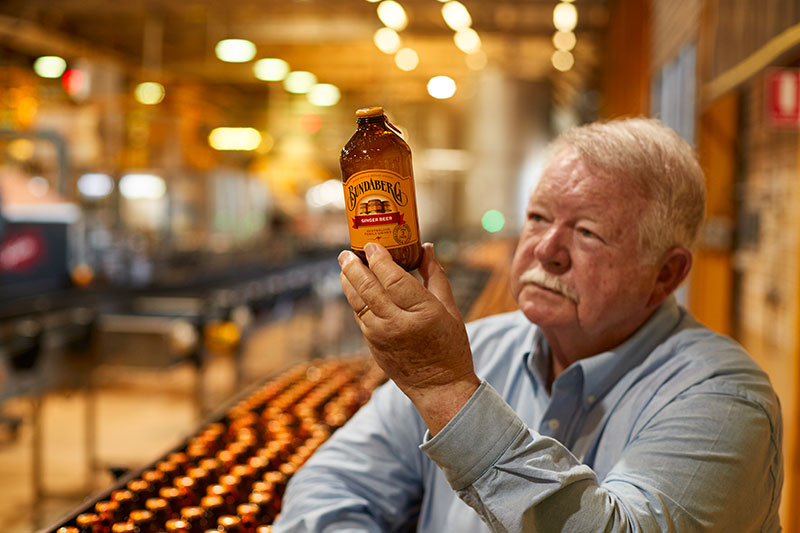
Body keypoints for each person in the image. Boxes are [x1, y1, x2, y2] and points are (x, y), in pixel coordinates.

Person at [274, 118, 783, 532]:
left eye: (587, 232)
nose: (545, 250)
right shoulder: (483, 345)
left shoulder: (723, 398)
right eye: (538, 218)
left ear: (665, 274)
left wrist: (447, 390)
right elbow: (327, 488)